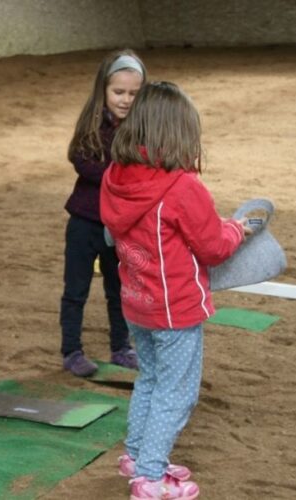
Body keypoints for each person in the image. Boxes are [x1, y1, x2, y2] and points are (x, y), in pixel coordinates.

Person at [101, 81, 250, 499]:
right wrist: (238, 228)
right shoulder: (183, 187)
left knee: (150, 379)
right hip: (176, 310)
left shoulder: (116, 177)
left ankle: (136, 454)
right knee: (177, 391)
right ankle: (148, 477)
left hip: (137, 304)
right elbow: (214, 246)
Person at [59, 50, 146, 377]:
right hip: (84, 222)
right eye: (118, 92)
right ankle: (71, 351)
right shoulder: (90, 124)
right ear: (104, 91)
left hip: (121, 226)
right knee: (76, 289)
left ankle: (121, 347)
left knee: (119, 289)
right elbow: (82, 161)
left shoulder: (143, 129)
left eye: (133, 94)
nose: (125, 100)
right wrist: (121, 176)